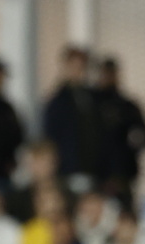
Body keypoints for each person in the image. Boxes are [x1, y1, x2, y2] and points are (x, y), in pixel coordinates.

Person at [42, 47, 101, 189]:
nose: (78, 71)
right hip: (67, 169)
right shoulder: (57, 101)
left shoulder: (94, 98)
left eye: (81, 66)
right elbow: (51, 137)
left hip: (95, 169)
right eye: (73, 66)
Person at [93, 58, 145, 197]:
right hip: (95, 177)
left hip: (123, 176)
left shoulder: (128, 107)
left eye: (111, 74)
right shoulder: (89, 106)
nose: (107, 78)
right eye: (104, 74)